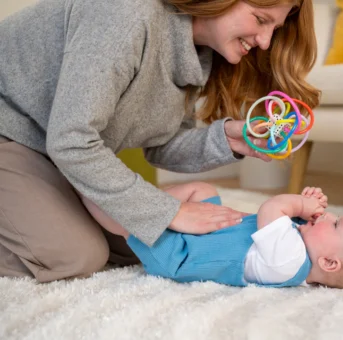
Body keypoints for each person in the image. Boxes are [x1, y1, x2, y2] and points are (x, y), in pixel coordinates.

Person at [0, 0, 320, 282]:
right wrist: (167, 212)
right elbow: (72, 140)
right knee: (75, 256)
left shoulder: (196, 55)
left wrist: (227, 140)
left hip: (53, 151)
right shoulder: (125, 14)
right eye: (261, 19)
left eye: (274, 28)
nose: (265, 42)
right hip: (12, 132)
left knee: (141, 241)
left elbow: (161, 145)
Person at [81, 183, 343, 289]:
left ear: (329, 262)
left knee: (132, 220)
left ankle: (90, 194)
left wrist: (299, 203)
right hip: (207, 233)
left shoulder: (289, 262)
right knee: (203, 191)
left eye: (336, 225)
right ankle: (143, 196)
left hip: (182, 254)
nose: (329, 217)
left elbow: (271, 210)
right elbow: (290, 223)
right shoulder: (300, 246)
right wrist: (309, 208)